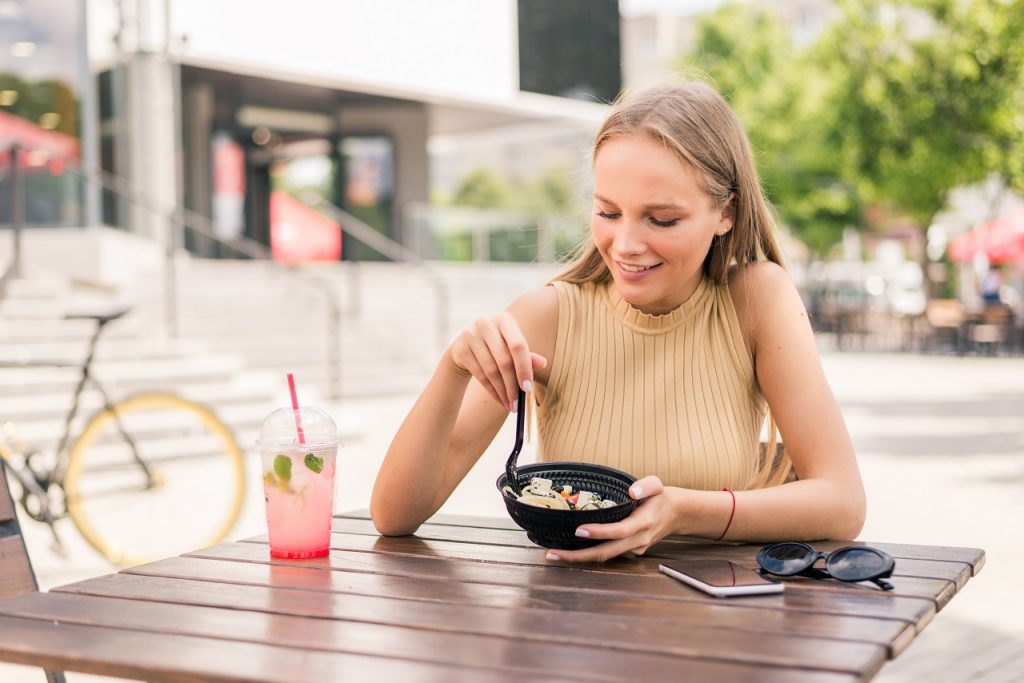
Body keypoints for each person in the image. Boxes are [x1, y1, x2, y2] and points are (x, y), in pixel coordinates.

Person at [370, 81, 865, 562]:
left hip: (716, 624)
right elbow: (394, 515)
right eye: (608, 212)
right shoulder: (547, 316)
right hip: (571, 622)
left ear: (726, 213)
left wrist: (685, 511)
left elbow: (842, 503)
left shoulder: (757, 299)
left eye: (662, 220)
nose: (626, 244)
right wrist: (453, 368)